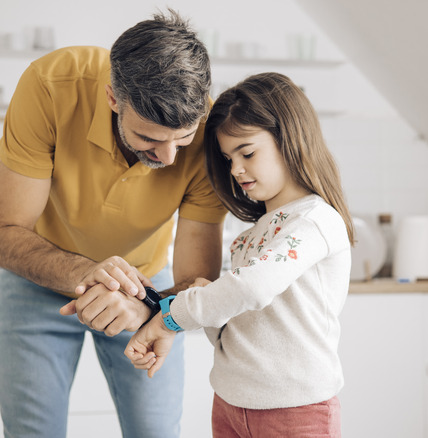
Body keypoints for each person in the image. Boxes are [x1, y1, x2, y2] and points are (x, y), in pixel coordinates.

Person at [0, 10, 227, 438]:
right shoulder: (51, 85)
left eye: (182, 138)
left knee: (157, 431)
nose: (170, 157)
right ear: (114, 98)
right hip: (36, 282)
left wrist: (146, 306)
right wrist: (85, 272)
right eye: (150, 138)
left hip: (148, 285)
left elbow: (195, 281)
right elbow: (3, 234)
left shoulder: (210, 134)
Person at [125, 72, 355, 437]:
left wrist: (170, 319)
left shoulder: (314, 221)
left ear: (289, 137)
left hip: (297, 410)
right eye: (228, 158)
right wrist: (192, 307)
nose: (235, 169)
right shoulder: (248, 239)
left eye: (246, 152)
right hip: (231, 403)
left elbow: (251, 289)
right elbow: (233, 325)